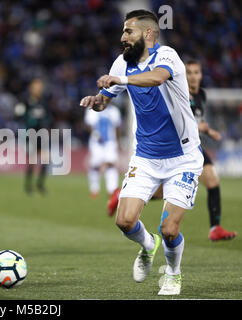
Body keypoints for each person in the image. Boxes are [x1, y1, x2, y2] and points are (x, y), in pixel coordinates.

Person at [80, 10, 204, 295]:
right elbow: (105, 101)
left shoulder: (167, 56)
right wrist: (95, 102)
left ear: (148, 34)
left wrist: (119, 81)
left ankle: (173, 273)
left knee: (170, 230)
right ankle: (148, 245)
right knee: (124, 221)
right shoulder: (122, 63)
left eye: (128, 32)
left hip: (183, 157)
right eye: (123, 32)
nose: (123, 37)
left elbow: (157, 79)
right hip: (146, 156)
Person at [149, 61, 237, 241]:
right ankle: (128, 195)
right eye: (189, 73)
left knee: (212, 180)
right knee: (160, 192)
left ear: (201, 75)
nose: (192, 76)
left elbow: (194, 123)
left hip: (193, 147)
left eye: (196, 72)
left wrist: (206, 130)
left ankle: (215, 228)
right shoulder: (178, 93)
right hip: (177, 148)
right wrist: (203, 128)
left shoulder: (201, 95)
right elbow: (177, 123)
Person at [84, 103, 122, 216]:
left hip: (110, 142)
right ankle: (94, 189)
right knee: (95, 165)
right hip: (96, 143)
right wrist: (94, 134)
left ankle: (112, 190)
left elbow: (117, 127)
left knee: (111, 165)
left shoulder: (114, 110)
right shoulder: (92, 110)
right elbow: (89, 125)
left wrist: (118, 142)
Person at [18, 78, 53, 195]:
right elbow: (21, 116)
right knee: (32, 162)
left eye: (40, 87)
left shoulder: (43, 102)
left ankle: (40, 184)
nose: (39, 89)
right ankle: (28, 186)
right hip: (31, 135)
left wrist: (46, 125)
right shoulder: (27, 102)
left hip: (42, 135)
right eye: (37, 87)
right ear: (31, 88)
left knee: (46, 160)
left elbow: (49, 117)